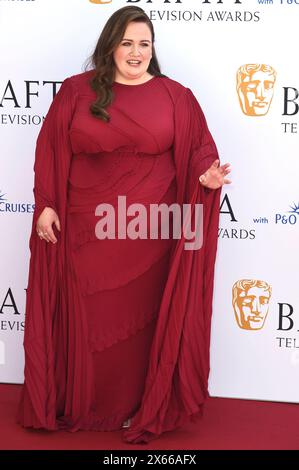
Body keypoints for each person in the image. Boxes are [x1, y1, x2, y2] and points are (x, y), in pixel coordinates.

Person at [17, 5, 231, 444]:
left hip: (149, 231)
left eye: (144, 44)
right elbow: (52, 150)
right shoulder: (76, 92)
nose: (135, 52)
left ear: (154, 50)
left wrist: (206, 175)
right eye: (127, 43)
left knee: (143, 323)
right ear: (110, 45)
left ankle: (140, 406)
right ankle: (83, 405)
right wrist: (47, 204)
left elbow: (199, 151)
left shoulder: (177, 96)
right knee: (89, 322)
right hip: (85, 231)